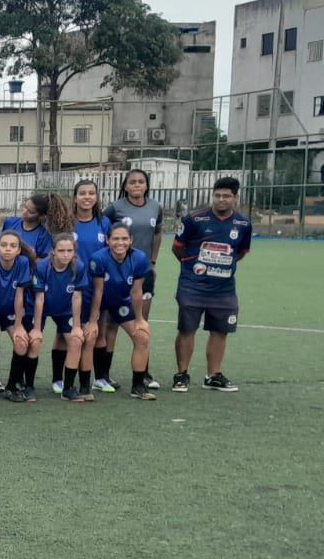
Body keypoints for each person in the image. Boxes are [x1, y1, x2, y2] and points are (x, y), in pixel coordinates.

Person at [171, 176, 251, 393]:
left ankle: (213, 375)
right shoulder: (194, 220)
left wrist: (220, 267)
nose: (221, 200)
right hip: (192, 286)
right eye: (217, 195)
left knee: (220, 331)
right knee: (187, 329)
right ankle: (181, 374)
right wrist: (192, 267)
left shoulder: (243, 224)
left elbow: (240, 252)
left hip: (224, 289)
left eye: (226, 196)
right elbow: (177, 247)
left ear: (235, 198)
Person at [104, 169, 165, 388]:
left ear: (147, 185)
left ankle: (143, 374)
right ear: (125, 186)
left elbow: (157, 234)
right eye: (132, 182)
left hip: (143, 272)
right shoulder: (115, 208)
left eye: (141, 181)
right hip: (117, 272)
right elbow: (105, 234)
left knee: (141, 322)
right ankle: (103, 375)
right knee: (110, 323)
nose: (137, 185)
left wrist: (153, 262)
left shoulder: (155, 207)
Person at [90, 224, 154, 400]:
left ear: (131, 240)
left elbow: (136, 291)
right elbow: (98, 291)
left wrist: (140, 319)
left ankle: (138, 386)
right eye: (116, 238)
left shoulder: (139, 258)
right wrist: (93, 320)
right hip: (100, 302)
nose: (120, 242)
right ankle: (99, 378)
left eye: (124, 238)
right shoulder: (98, 258)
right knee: (97, 336)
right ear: (108, 240)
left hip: (121, 302)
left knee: (142, 337)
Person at [36, 233, 94, 403]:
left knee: (76, 340)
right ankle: (26, 385)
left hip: (65, 310)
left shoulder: (79, 266)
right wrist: (37, 329)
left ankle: (67, 389)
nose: (65, 255)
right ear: (53, 251)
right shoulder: (42, 267)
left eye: (69, 250)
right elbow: (39, 298)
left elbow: (77, 297)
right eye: (61, 250)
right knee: (33, 340)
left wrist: (76, 326)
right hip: (42, 308)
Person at [0, 231, 40, 402]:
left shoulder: (22, 262)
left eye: (13, 246)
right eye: (4, 245)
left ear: (18, 250)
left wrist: (18, 325)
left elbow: (19, 295)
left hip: (11, 311)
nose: (8, 249)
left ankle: (12, 386)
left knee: (21, 341)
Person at [0, 194, 65, 261]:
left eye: (31, 212)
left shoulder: (43, 235)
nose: (25, 212)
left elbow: (44, 261)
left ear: (40, 215)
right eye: (25, 207)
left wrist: (29, 257)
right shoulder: (9, 223)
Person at [70, 180, 111, 269]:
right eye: (82, 193)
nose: (87, 197)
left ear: (96, 198)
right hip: (72, 275)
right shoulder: (66, 222)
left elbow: (109, 251)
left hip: (97, 275)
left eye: (91, 193)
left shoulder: (104, 222)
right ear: (75, 198)